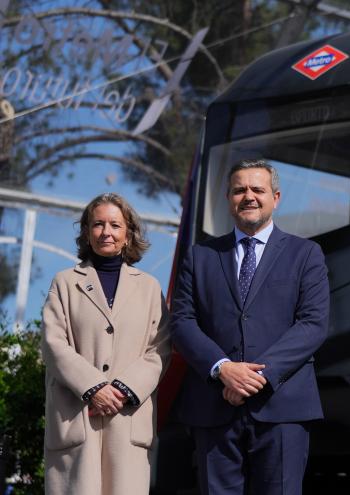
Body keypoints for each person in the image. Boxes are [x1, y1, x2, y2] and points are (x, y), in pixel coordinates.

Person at [171, 159, 329, 495]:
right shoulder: (199, 256)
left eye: (257, 189)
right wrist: (222, 369)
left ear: (276, 197)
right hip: (214, 406)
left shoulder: (306, 254)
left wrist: (255, 377)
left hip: (283, 407)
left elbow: (313, 324)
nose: (249, 196)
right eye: (239, 189)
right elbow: (182, 323)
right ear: (228, 198)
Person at [41, 192, 170, 495]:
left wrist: (124, 389)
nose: (106, 232)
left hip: (127, 422)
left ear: (128, 234)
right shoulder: (64, 282)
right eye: (98, 224)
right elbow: (53, 342)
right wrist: (94, 387)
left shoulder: (150, 288)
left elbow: (160, 349)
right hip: (76, 420)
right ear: (87, 232)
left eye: (115, 224)